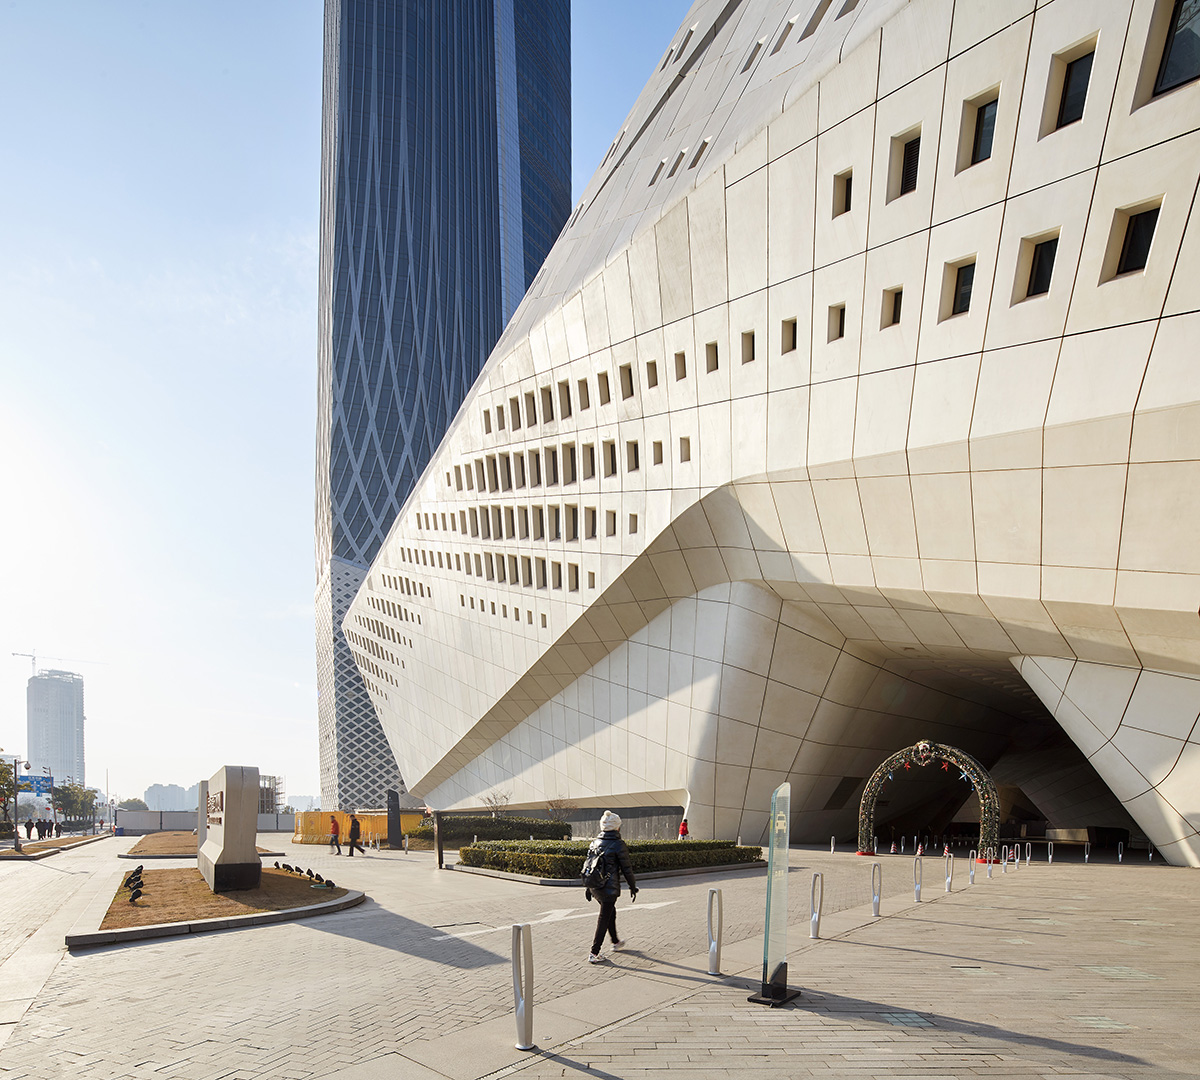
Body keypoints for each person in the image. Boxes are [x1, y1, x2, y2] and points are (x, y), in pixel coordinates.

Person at [584, 810, 638, 963]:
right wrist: (633, 887)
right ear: (617, 828)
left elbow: (589, 867)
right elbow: (627, 869)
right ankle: (594, 953)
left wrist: (588, 888)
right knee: (604, 917)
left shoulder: (594, 842)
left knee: (610, 913)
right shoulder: (618, 845)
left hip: (596, 887)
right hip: (609, 888)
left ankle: (615, 942)